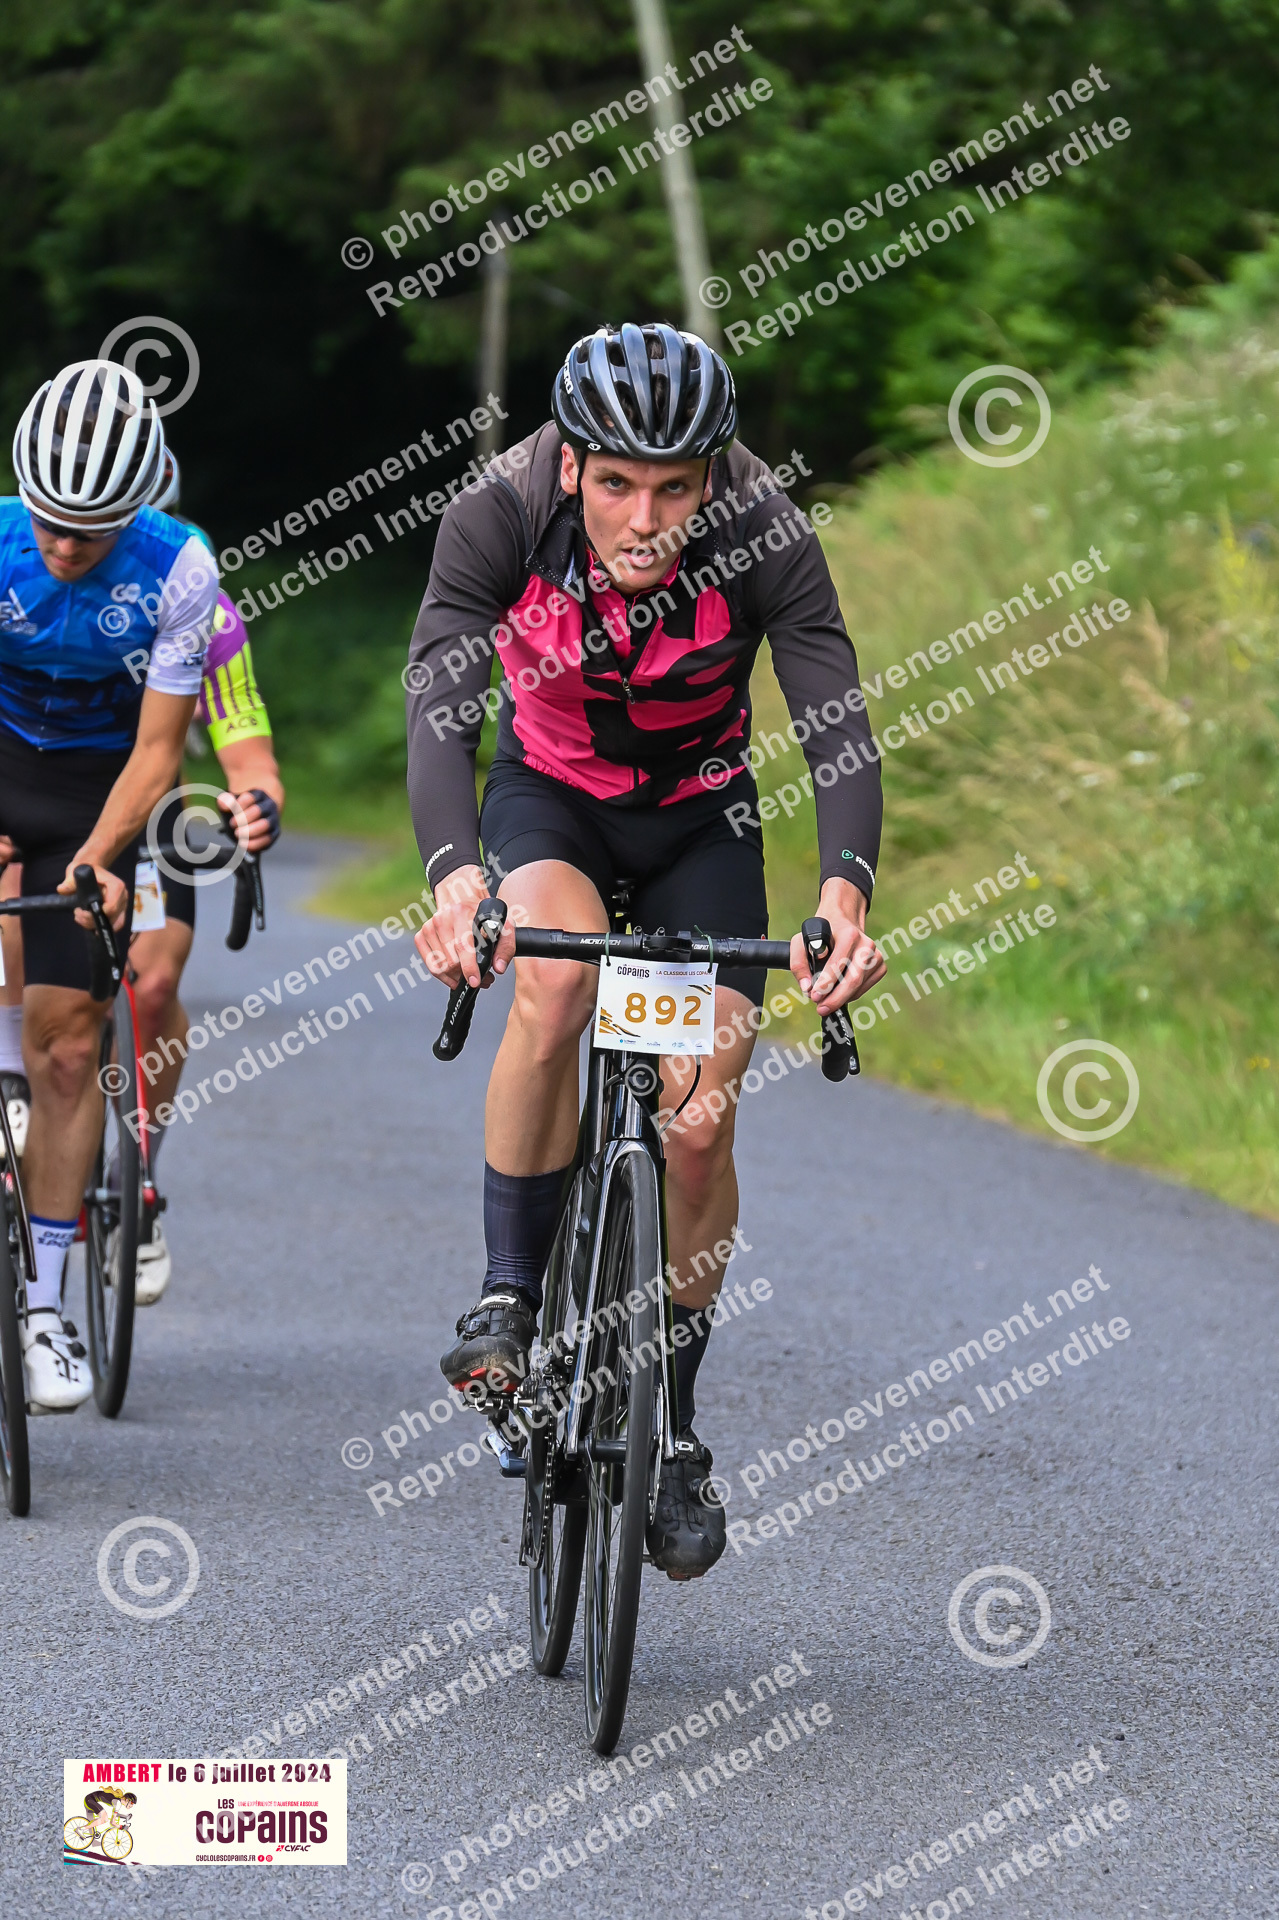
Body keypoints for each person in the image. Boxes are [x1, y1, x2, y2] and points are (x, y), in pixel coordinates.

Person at [409, 322, 886, 1579]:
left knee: (698, 1118)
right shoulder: (499, 513)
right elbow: (441, 709)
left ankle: (668, 1424)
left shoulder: (763, 527)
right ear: (571, 464)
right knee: (556, 979)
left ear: (712, 476)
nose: (644, 518)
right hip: (550, 798)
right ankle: (509, 1298)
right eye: (617, 482)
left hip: (697, 818)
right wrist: (457, 880)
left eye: (676, 488)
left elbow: (833, 719)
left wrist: (844, 894)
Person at [0, 446, 284, 1307]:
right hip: (49, 788)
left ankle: (138, 1180)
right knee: (16, 915)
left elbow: (245, 742)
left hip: (146, 808)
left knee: (153, 987)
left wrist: (257, 803)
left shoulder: (203, 607)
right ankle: (19, 1076)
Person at [0, 359, 215, 1411]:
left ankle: (44, 1307)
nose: (62, 544)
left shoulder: (179, 567)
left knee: (72, 1046)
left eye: (87, 531)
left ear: (133, 510)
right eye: (48, 520)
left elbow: (160, 750)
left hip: (100, 785)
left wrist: (96, 860)